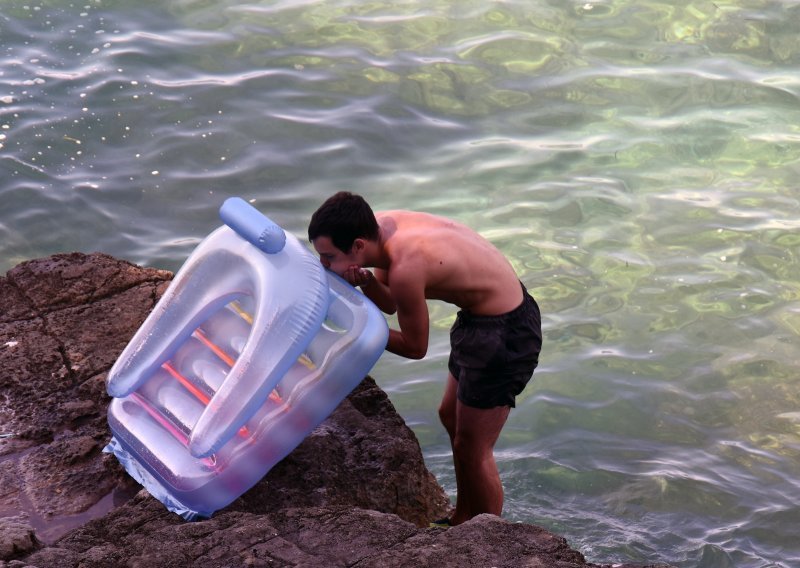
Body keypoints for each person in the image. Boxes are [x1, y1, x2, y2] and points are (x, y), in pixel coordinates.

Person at [308, 191, 542, 526]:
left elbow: (415, 348)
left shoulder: (406, 265)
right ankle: (463, 518)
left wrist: (357, 329)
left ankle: (494, 540)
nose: (324, 266)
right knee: (450, 416)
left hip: (505, 333)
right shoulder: (381, 227)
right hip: (480, 317)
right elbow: (390, 304)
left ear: (358, 246)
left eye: (328, 257)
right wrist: (368, 283)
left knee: (473, 448)